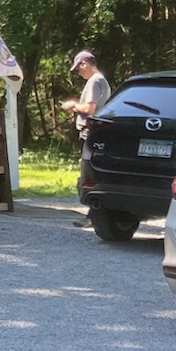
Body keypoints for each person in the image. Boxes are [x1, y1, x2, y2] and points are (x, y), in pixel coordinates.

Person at [61, 50, 111, 229]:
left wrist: (73, 105)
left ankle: (93, 216)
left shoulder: (94, 82)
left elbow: (90, 109)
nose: (78, 73)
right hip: (96, 134)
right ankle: (94, 214)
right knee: (94, 173)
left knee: (89, 175)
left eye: (78, 68)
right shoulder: (102, 81)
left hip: (88, 133)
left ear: (85, 64)